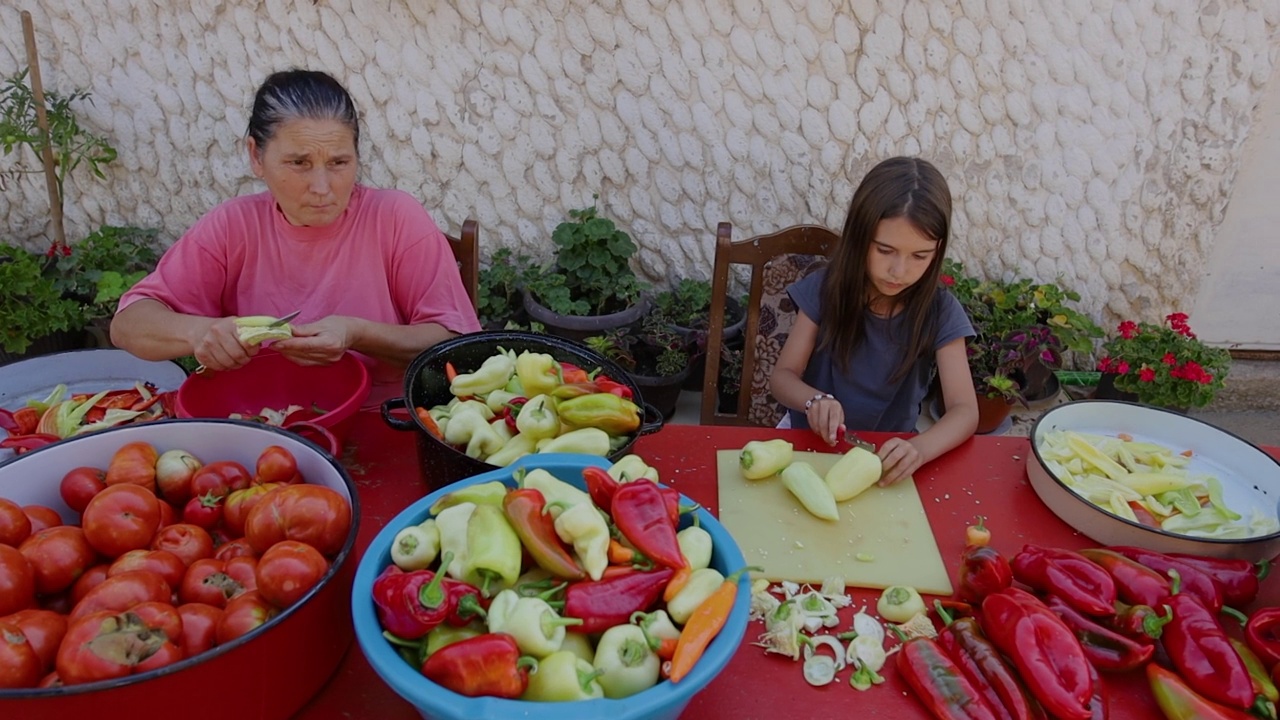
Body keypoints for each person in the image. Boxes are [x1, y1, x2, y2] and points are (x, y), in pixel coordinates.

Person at [111, 69, 480, 407]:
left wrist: (356, 333)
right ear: (256, 156)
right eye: (299, 163)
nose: (321, 187)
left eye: (338, 162)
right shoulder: (233, 226)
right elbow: (128, 325)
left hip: (385, 417)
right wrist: (199, 332)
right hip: (259, 424)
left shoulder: (395, 218)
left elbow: (454, 344)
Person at [770, 156, 978, 485]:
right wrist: (814, 400)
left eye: (920, 256)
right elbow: (782, 376)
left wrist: (920, 449)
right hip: (807, 440)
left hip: (888, 456)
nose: (899, 271)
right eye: (884, 250)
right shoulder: (827, 289)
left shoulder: (940, 311)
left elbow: (965, 410)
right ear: (859, 237)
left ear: (937, 251)